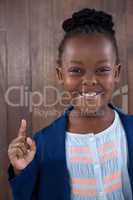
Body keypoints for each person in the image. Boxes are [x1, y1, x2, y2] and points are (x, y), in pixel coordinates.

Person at [7, 8, 133, 200]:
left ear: (116, 73)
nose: (90, 80)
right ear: (60, 75)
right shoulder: (42, 145)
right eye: (76, 70)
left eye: (102, 70)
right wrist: (22, 172)